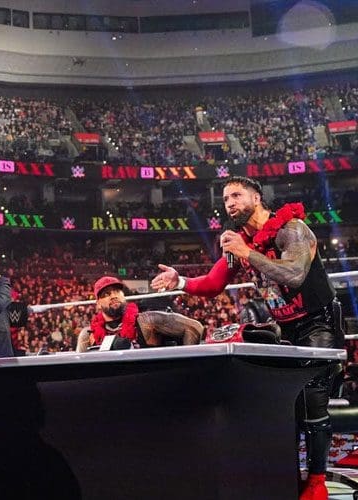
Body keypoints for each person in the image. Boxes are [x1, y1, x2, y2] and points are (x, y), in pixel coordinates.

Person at [151, 176, 344, 500]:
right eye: (226, 198)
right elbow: (214, 283)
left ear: (257, 197)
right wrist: (180, 280)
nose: (230, 203)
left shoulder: (292, 229)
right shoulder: (239, 242)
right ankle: (286, 474)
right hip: (285, 326)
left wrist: (248, 253)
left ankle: (317, 481)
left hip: (317, 322)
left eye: (237, 195)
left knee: (313, 397)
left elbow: (295, 275)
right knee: (282, 402)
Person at [76, 276, 204, 351]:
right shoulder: (88, 336)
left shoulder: (147, 321)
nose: (114, 296)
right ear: (98, 303)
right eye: (106, 294)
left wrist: (183, 370)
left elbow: (194, 327)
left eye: (117, 291)